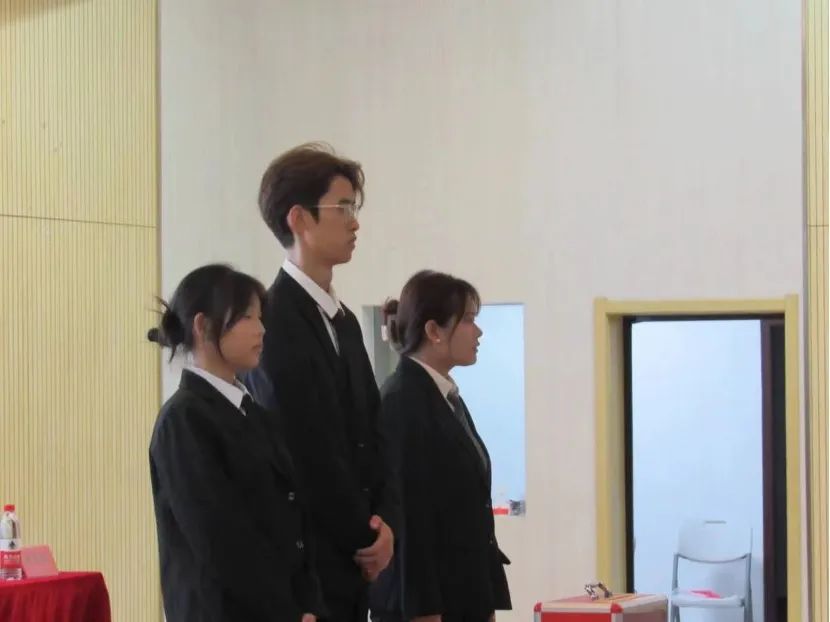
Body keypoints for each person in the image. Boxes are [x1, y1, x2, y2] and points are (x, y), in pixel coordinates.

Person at [244, 143, 399, 622]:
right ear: (299, 219)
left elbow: (373, 430)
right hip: (309, 561)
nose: (355, 224)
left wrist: (384, 526)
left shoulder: (345, 321)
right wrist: (363, 535)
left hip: (356, 557)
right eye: (343, 208)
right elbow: (305, 446)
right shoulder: (273, 320)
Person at [148, 263, 323, 622]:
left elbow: (292, 516)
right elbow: (219, 538)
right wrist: (286, 612)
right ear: (202, 326)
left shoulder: (253, 412)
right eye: (246, 317)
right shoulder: (184, 420)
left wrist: (308, 604)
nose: (261, 329)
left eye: (260, 317)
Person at [369, 270, 512, 622]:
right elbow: (410, 518)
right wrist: (424, 610)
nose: (478, 332)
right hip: (427, 605)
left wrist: (487, 597)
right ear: (434, 331)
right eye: (468, 320)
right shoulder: (403, 401)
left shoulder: (444, 396)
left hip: (464, 594)